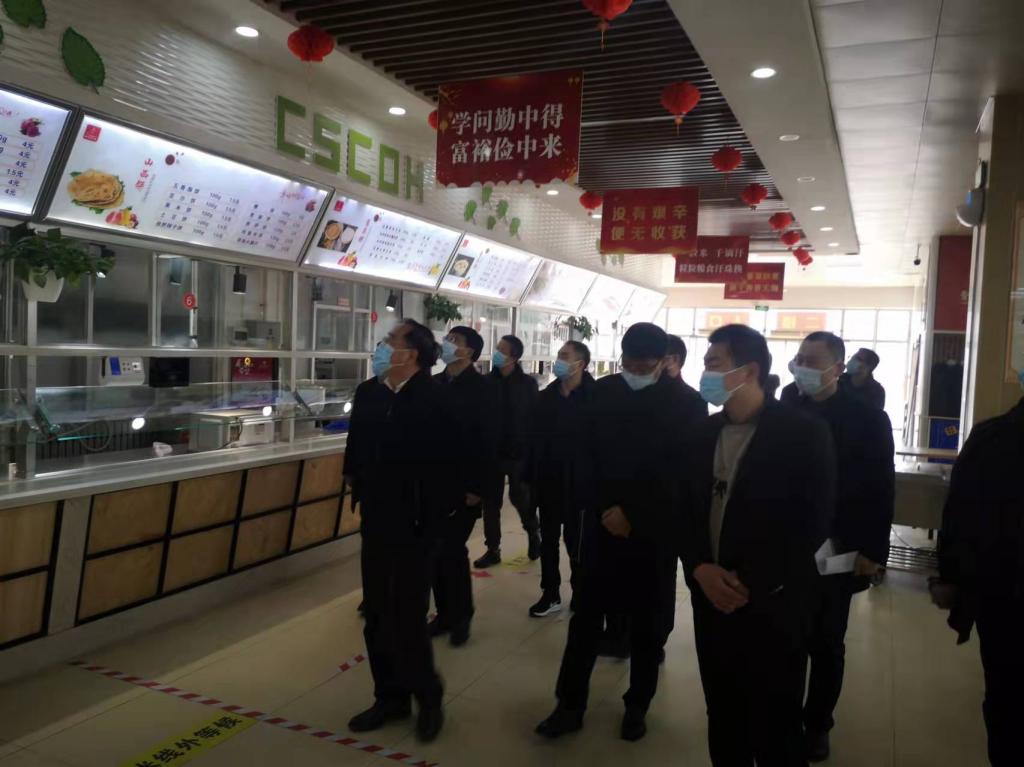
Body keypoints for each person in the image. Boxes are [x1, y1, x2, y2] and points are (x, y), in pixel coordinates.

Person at [683, 324, 836, 766]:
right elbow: (683, 511)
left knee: (776, 721)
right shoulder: (700, 434)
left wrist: (748, 581)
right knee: (722, 713)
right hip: (710, 600)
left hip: (775, 601)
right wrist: (699, 567)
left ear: (748, 371)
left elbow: (811, 522)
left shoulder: (803, 433)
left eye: (714, 363)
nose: (706, 373)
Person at [536, 323, 690, 743]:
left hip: (652, 533)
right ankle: (569, 705)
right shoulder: (602, 393)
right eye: (629, 363)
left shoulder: (686, 404)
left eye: (644, 365)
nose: (635, 371)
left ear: (662, 361)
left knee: (647, 627)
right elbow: (582, 456)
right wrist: (606, 509)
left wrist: (633, 513)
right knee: (585, 620)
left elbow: (678, 474)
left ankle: (637, 706)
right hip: (600, 528)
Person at [783, 332, 895, 762]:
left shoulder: (867, 418)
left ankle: (818, 724)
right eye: (799, 358)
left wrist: (873, 552)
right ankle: (785, 717)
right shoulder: (786, 407)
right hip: (789, 545)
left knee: (827, 640)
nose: (803, 367)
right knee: (787, 637)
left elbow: (881, 489)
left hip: (838, 545)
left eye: (813, 361)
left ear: (838, 368)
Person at [343, 319, 448, 742]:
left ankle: (428, 697)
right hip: (377, 520)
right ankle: (390, 697)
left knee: (406, 616)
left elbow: (451, 462)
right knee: (376, 614)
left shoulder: (435, 398)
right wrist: (354, 477)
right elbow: (355, 443)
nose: (383, 346)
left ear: (412, 354)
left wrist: (437, 517)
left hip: (417, 525)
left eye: (391, 341)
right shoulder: (369, 392)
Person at [931, 375, 1024, 767]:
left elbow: (959, 520)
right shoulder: (994, 438)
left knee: (1007, 705)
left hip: (1002, 600)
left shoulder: (992, 437)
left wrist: (952, 580)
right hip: (1003, 599)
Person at [429, 326, 498, 646]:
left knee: (453, 550)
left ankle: (461, 615)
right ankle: (443, 614)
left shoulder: (483, 389)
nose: (446, 343)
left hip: (465, 486)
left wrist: (478, 489)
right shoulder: (434, 384)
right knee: (434, 551)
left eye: (454, 341)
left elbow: (488, 442)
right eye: (447, 338)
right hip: (433, 483)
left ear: (469, 352)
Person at [527, 340, 595, 618]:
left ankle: (581, 592)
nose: (559, 360)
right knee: (549, 541)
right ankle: (550, 592)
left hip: (581, 484)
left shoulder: (596, 397)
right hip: (549, 481)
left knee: (577, 543)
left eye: (565, 356)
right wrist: (529, 479)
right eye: (559, 355)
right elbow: (533, 440)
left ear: (581, 363)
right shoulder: (546, 397)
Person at [658, 334, 709, 657]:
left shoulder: (691, 401)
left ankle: (657, 637)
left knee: (662, 575)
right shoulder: (641, 395)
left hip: (669, 503)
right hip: (633, 504)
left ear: (674, 360)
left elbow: (692, 461)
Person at [474, 335, 540, 568]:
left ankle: (533, 533)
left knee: (520, 498)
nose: (497, 353)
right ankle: (493, 549)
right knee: (491, 503)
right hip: (492, 453)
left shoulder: (527, 384)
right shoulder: (485, 383)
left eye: (502, 350)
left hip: (518, 454)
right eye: (497, 348)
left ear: (514, 357)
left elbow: (534, 420)